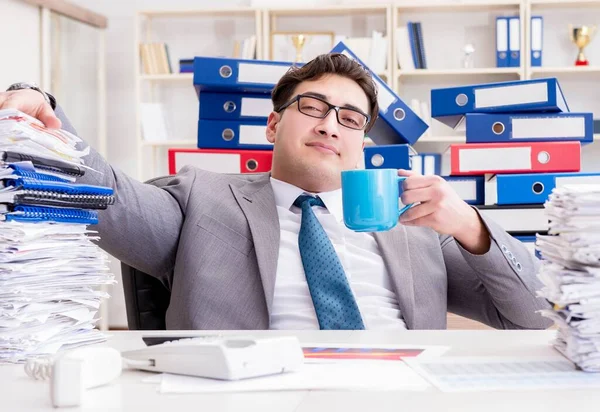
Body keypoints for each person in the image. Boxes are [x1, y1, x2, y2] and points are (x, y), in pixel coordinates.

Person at [0, 53, 551, 330]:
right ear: (272, 126)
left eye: (350, 118)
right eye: (311, 108)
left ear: (362, 141)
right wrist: (50, 128)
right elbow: (112, 198)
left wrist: (471, 225)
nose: (330, 125)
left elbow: (534, 316)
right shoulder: (200, 199)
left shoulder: (413, 225)